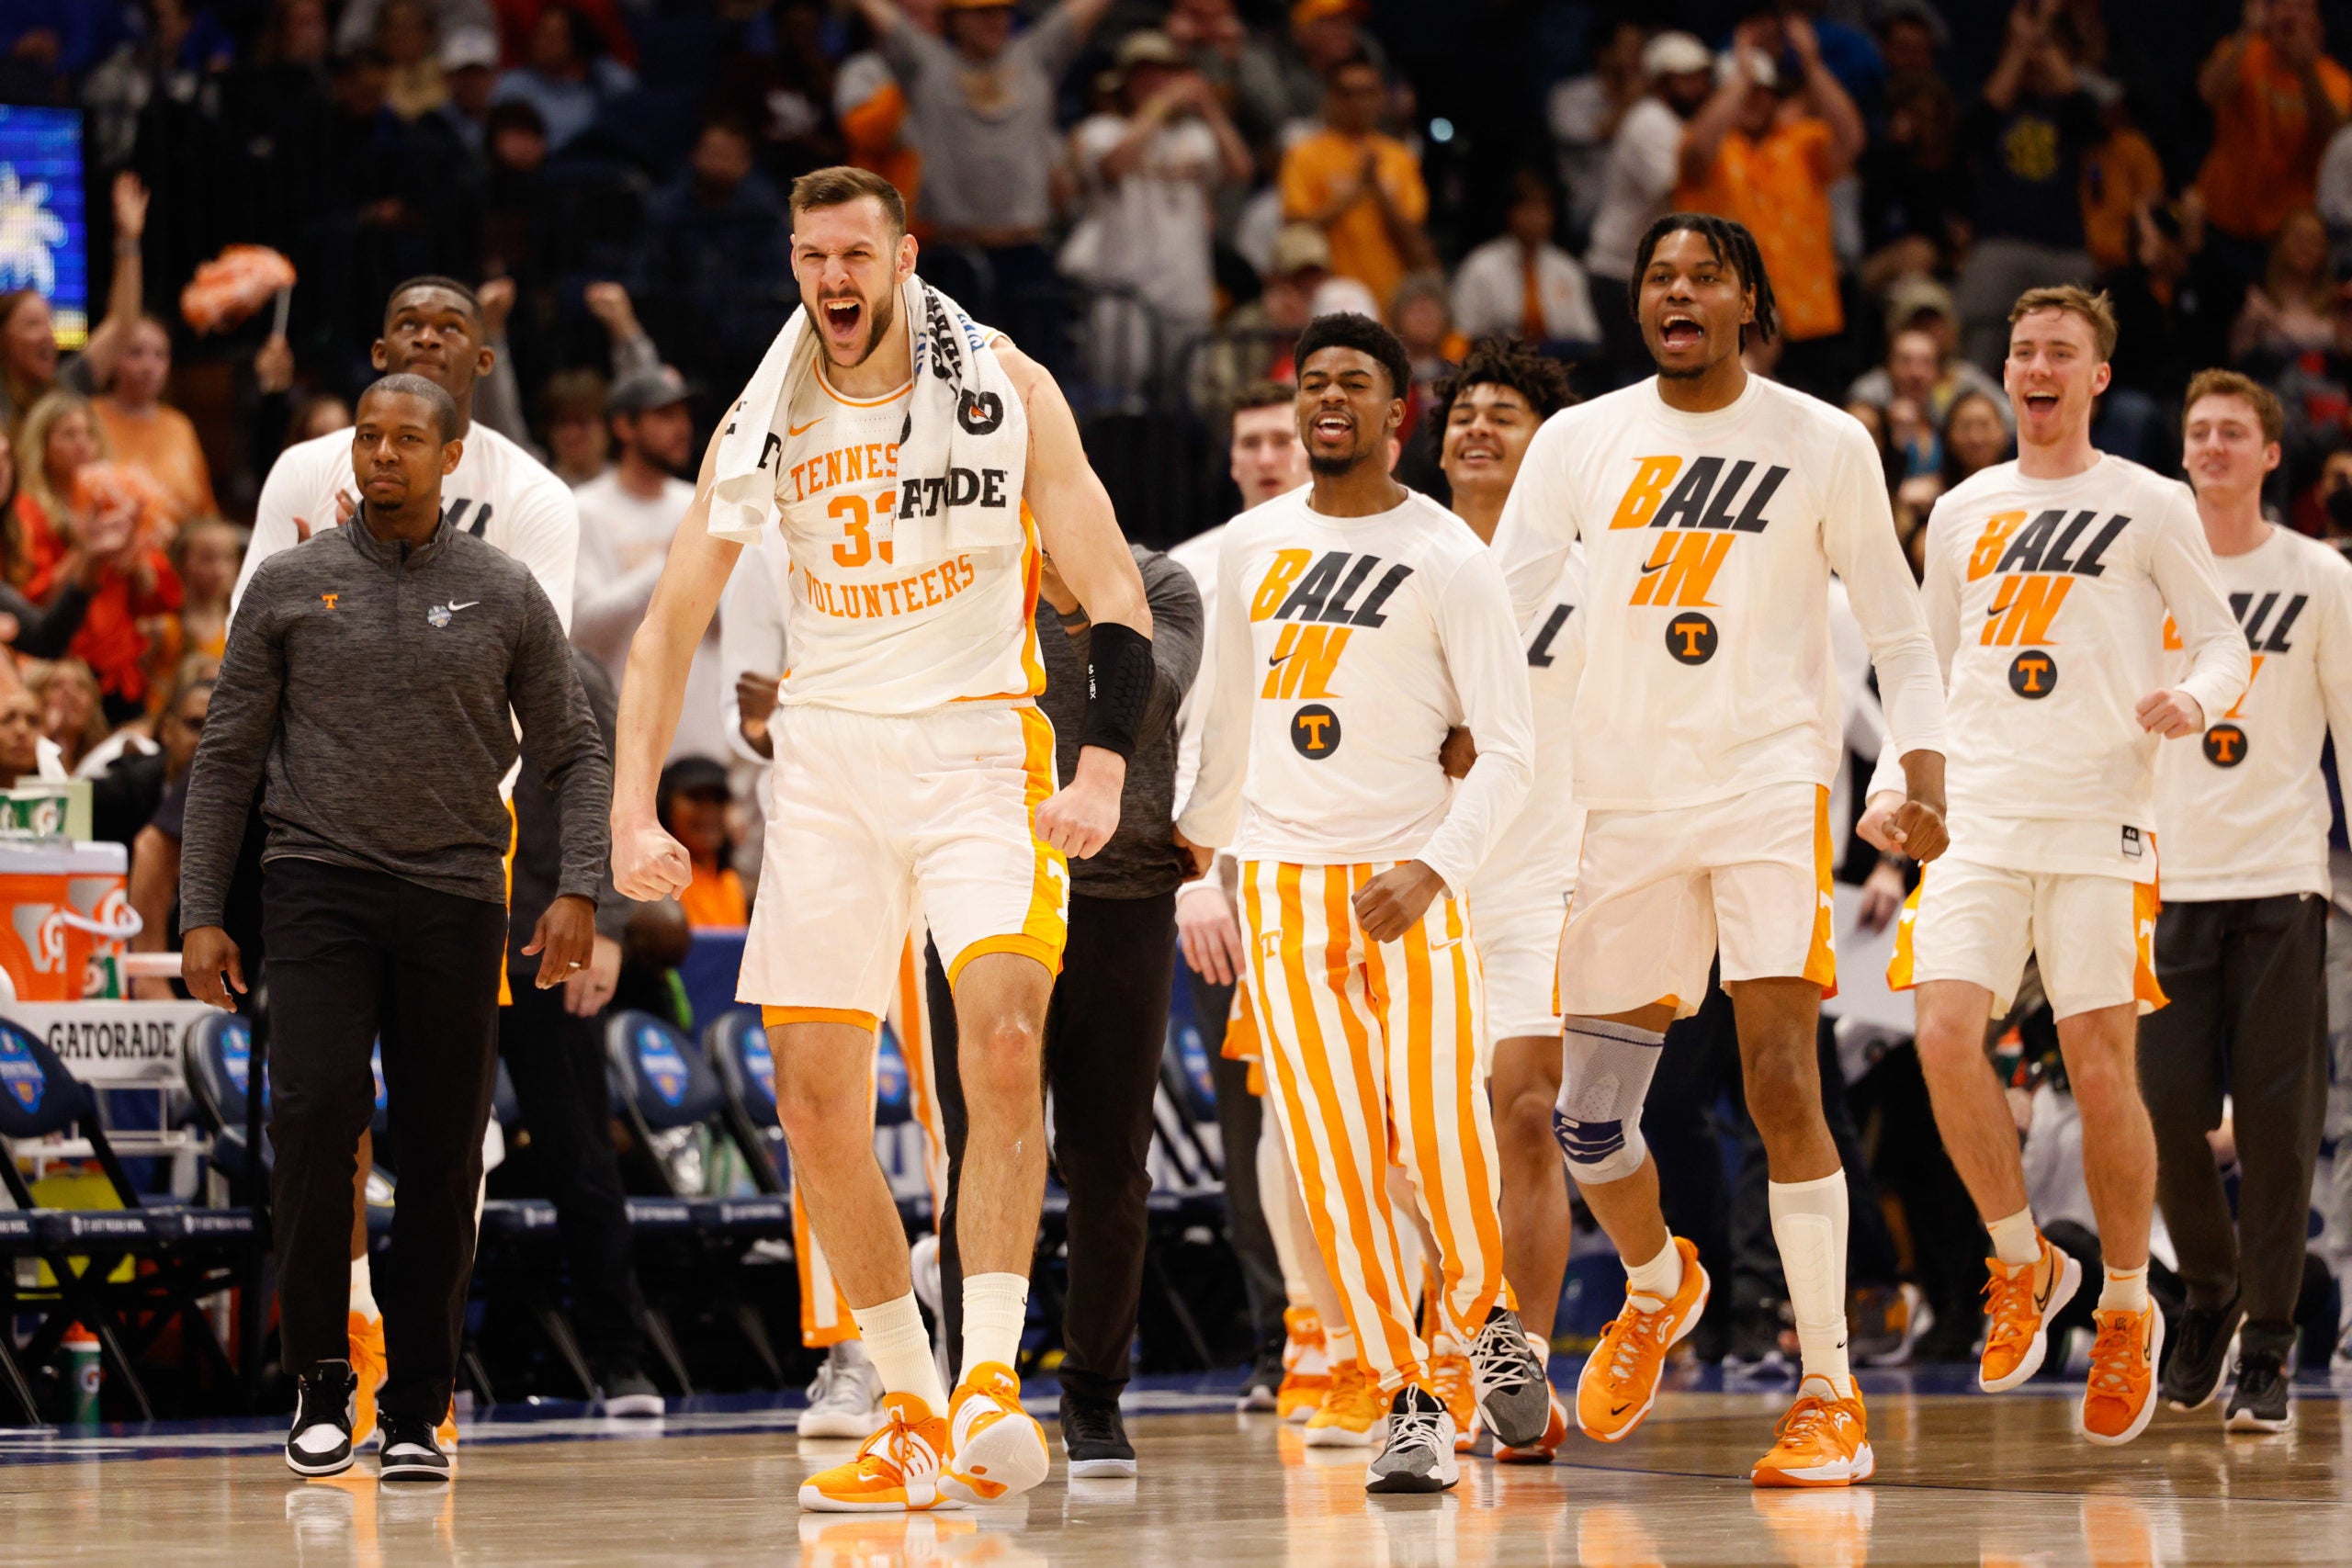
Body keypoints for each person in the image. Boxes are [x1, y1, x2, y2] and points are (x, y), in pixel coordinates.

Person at [610, 166, 1153, 1514]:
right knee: (812, 1100)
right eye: (812, 257)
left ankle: (987, 1375)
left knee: (1006, 1039)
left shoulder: (1011, 386)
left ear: (904, 255)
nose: (834, 280)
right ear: (793, 262)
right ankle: (908, 1398)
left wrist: (1101, 768)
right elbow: (666, 625)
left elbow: (1118, 593)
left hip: (982, 746)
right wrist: (626, 807)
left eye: (857, 254)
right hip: (831, 759)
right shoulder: (764, 414)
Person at [1494, 212, 1949, 1488]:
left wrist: (1925, 768)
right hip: (1619, 797)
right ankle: (1656, 1279)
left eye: (1704, 274)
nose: (1677, 291)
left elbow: (1903, 634)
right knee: (1590, 1121)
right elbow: (1492, 616)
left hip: (1765, 783)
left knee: (1780, 1079)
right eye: (1658, 275)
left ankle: (1828, 1390)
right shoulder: (1580, 441)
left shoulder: (1825, 440)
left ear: (1751, 299)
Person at [179, 373, 607, 1484]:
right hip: (313, 885)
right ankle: (324, 1377)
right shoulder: (287, 583)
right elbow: (225, 758)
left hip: (459, 895)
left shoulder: (507, 590)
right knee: (316, 1118)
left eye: (407, 439)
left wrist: (580, 889)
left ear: (452, 456)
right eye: (367, 437)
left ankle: (418, 1401)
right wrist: (201, 914)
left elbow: (574, 746)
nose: (381, 455)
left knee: (439, 1150)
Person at [1860, 286, 2249, 1449]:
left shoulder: (2149, 500)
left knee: (2096, 1063)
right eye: (2021, 348)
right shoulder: (1965, 507)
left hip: (2098, 821)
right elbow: (1918, 668)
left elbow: (2225, 638)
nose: (2034, 366)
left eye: (2058, 353)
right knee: (1939, 1035)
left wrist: (2195, 694)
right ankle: (2022, 1262)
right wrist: (1892, 791)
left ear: (2093, 377)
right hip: (1976, 815)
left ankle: (2125, 1303)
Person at [1181, 311, 1555, 1493]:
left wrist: (1435, 867)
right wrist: (1206, 869)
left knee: (1442, 1142)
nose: (1327, 398)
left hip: (1413, 887)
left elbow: (1510, 749)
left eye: (1355, 382)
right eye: (1313, 383)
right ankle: (1408, 1398)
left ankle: (1487, 1316)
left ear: (1402, 413)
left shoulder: (1450, 555)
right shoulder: (1248, 544)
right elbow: (1226, 724)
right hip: (1284, 889)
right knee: (1336, 1166)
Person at [928, 539, 1201, 1480]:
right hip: (983, 891)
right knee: (978, 1147)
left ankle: (1093, 1399)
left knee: (1110, 1162)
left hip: (1122, 892)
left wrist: (1080, 600)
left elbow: (1147, 700)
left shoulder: (1157, 582)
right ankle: (977, 1387)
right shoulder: (967, 567)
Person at [2143, 371, 2346, 1434]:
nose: (2212, 445)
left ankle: (2268, 1344)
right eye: (2198, 432)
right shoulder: (2147, 576)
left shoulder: (2316, 574)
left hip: (2279, 878)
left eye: (2233, 432)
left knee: (2276, 1127)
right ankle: (2210, 1291)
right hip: (2165, 878)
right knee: (2161, 1112)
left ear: (2271, 455)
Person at [1432, 337, 1577, 1461]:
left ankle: (1515, 1358)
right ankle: (1425, 1355)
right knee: (1421, 1141)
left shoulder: (1592, 566)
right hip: (1417, 876)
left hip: (1544, 871)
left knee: (1527, 1113)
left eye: (1505, 414)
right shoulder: (1400, 555)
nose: (1477, 427)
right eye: (1463, 412)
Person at [1168, 381, 1306, 1413]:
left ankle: (1394, 1332)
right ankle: (1279, 1343)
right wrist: (1194, 876)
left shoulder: (1378, 549)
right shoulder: (1195, 568)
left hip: (1352, 865)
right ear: (1231, 458)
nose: (1266, 454)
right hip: (1233, 876)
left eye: (1282, 439)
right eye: (1250, 441)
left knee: (1369, 1111)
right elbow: (1169, 732)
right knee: (1250, 1118)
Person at [850, 0, 1114, 371]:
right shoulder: (928, 63)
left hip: (1027, 250)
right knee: (947, 381)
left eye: (1002, 11)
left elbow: (1083, 11)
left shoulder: (1035, 56)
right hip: (954, 254)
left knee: (1035, 378)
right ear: (954, 19)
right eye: (983, 12)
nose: (996, 21)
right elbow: (880, 15)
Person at [1673, 18, 1865, 398]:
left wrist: (1811, 65)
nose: (1755, 99)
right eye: (1747, 92)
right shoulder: (1710, 145)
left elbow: (1851, 138)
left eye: (1766, 92)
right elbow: (1694, 154)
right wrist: (1742, 74)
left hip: (1804, 317)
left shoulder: (1800, 140)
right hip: (1731, 317)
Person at [1063, 28, 1251, 389]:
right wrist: (1161, 106)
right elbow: (1114, 165)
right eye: (1144, 74)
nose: (1155, 82)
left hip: (1186, 289)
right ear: (1124, 82)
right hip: (1124, 291)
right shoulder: (1101, 130)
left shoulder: (1194, 136)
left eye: (1163, 73)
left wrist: (1209, 107)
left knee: (1185, 401)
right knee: (1118, 399)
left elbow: (1240, 169)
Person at [570, 365, 723, 762]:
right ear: (624, 426)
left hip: (705, 734)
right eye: (664, 415)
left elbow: (731, 625)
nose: (682, 427)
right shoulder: (584, 510)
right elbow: (582, 628)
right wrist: (668, 562)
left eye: (684, 414)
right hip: (620, 734)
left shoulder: (701, 503)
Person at [1953, 3, 2102, 373]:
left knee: (2074, 359)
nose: (2036, 58)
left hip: (2063, 249)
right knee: (1977, 358)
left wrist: (2042, 33)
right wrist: (2020, 47)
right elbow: (1975, 129)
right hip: (1999, 245)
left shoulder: (2070, 110)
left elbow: (2089, 119)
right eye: (2027, 47)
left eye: (2046, 48)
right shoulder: (1994, 103)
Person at [1582, 32, 1715, 385]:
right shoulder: (1650, 121)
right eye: (1685, 78)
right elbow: (1683, 193)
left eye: (1702, 76)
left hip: (1649, 273)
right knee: (1639, 379)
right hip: (1621, 273)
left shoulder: (1679, 124)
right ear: (1661, 82)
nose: (1698, 86)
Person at [1278, 54, 1429, 322]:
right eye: (1347, 94)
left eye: (1368, 93)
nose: (1358, 103)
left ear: (1382, 98)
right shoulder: (1304, 154)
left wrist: (1378, 190)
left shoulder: (1400, 158)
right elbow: (1295, 228)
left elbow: (1413, 235)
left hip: (1388, 300)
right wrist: (1355, 190)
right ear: (1330, 98)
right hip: (1324, 302)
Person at [2197, 0, 2350, 259]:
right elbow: (2209, 94)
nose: (2290, 14)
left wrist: (2305, 70)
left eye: (2301, 7)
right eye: (2282, 5)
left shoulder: (2336, 79)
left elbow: (2336, 137)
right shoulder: (2244, 51)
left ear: (2318, 21)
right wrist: (2246, 31)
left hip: (2283, 238)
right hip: (2220, 217)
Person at [1450, 173, 1601, 352]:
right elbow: (1463, 331)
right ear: (1511, 213)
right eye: (1528, 210)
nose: (1536, 219)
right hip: (1495, 365)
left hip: (1558, 367)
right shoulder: (1481, 266)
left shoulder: (1567, 268)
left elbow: (1588, 336)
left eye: (1543, 210)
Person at [91, 317, 218, 526]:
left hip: (177, 550)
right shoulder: (89, 417)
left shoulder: (179, 426)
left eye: (160, 355)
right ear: (111, 358)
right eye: (136, 352)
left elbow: (205, 510)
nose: (149, 366)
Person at [654, 756, 746, 928]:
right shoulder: (653, 883)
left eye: (718, 800)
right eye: (695, 797)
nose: (709, 811)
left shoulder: (731, 882)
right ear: (666, 805)